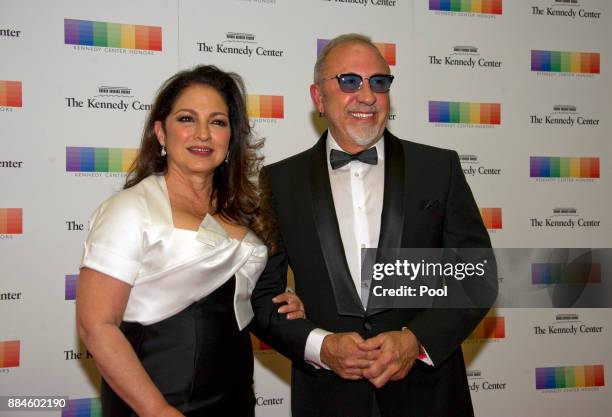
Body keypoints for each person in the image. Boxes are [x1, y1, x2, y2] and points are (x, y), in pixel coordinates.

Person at [250, 34, 492, 417]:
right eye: (349, 81)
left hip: (428, 397)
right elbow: (261, 297)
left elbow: (477, 275)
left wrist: (415, 340)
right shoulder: (280, 182)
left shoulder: (438, 169)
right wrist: (320, 346)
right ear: (318, 98)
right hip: (329, 400)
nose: (366, 95)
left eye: (379, 82)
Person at [76, 65, 305, 417]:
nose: (202, 134)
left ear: (231, 138)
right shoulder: (129, 210)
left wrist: (284, 304)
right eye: (186, 119)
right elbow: (96, 326)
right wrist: (157, 410)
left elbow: (239, 300)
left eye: (217, 122)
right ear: (161, 133)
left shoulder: (245, 211)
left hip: (235, 399)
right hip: (158, 401)